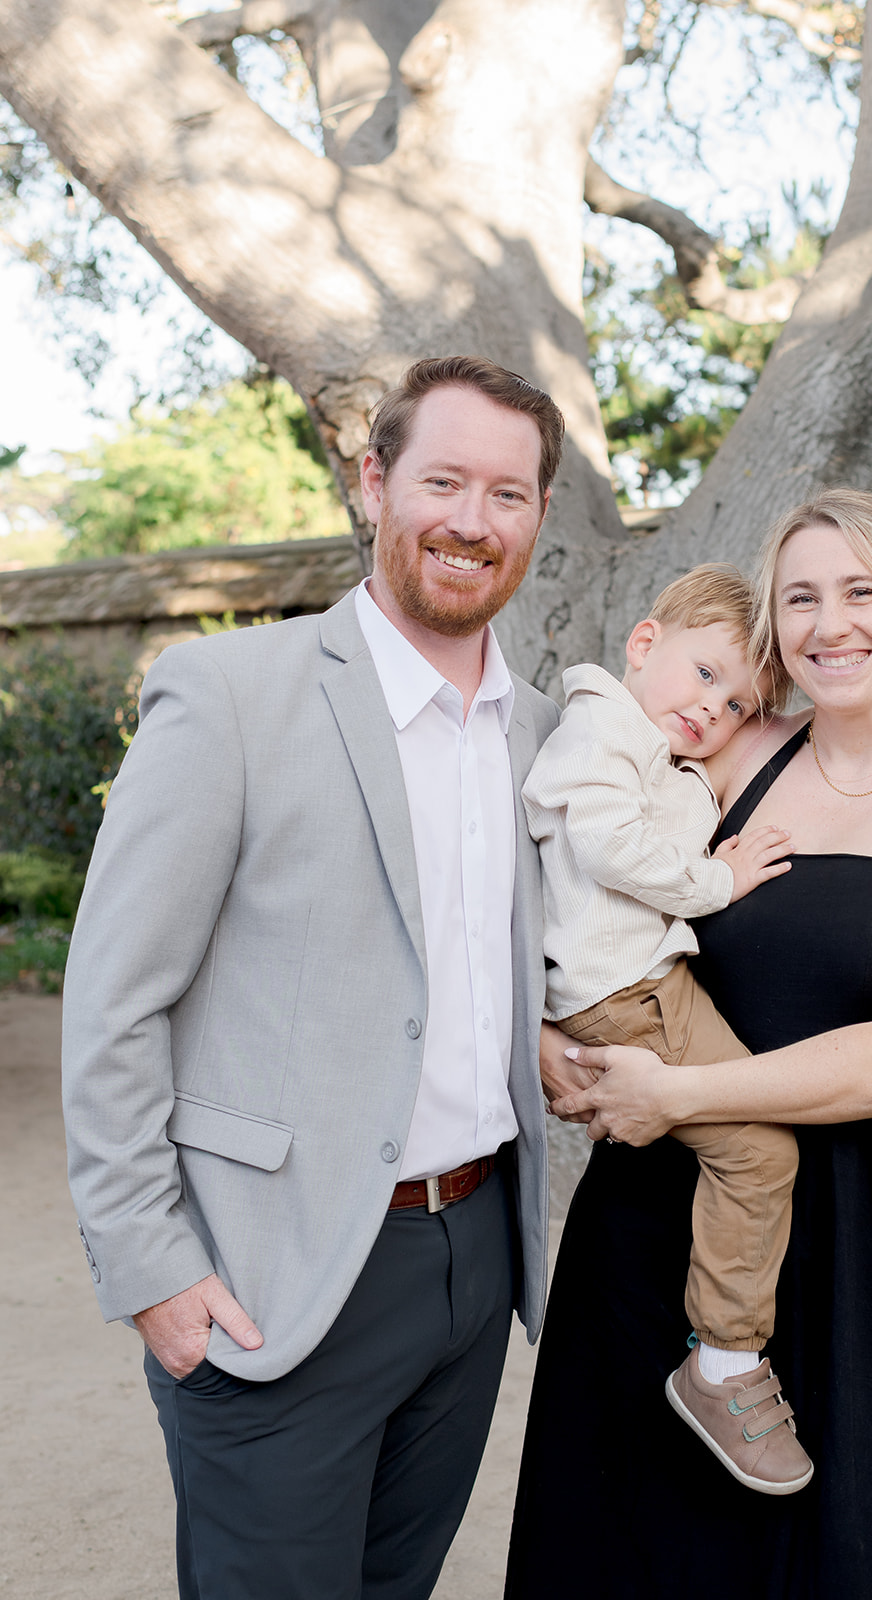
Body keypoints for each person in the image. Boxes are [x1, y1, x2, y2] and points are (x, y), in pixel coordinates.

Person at [61, 355, 564, 1600]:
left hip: (476, 1261)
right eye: (443, 480)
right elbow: (115, 1000)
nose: (472, 520)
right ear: (375, 481)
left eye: (507, 493)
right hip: (274, 1274)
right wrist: (153, 1266)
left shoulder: (542, 733)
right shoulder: (232, 695)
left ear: (539, 513)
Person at [505, 488, 872, 1600]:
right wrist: (543, 1027)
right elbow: (550, 860)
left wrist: (679, 1094)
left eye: (859, 592)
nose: (829, 624)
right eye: (800, 598)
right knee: (627, 1555)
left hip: (858, 1247)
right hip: (655, 1223)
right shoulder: (732, 747)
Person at [521, 563, 811, 1493]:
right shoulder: (602, 729)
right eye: (704, 674)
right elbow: (610, 847)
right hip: (629, 996)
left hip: (640, 986)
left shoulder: (649, 748)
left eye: (734, 705)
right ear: (644, 644)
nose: (710, 708)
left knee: (743, 1145)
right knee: (760, 1153)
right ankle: (723, 1363)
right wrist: (721, 878)